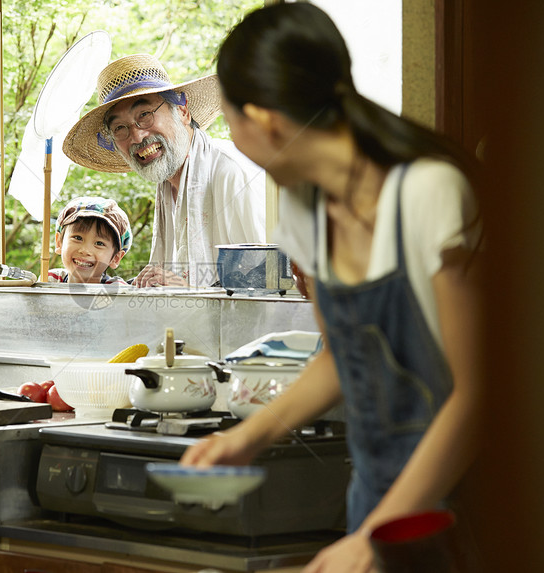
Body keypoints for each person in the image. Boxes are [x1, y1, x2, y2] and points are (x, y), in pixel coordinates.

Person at [179, 4, 483, 573]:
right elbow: (340, 357)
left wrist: (372, 537)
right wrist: (248, 438)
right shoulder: (303, 208)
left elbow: (477, 395)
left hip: (456, 507)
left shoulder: (427, 194)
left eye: (230, 123)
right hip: (374, 497)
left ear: (263, 120)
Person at [63, 54, 266, 288]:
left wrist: (187, 291)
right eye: (120, 128)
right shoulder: (167, 184)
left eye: (145, 115)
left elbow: (266, 281)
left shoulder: (230, 171)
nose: (137, 136)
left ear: (182, 111)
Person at [50, 196, 131, 285]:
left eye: (99, 243)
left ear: (115, 258)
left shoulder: (117, 290)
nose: (85, 251)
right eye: (78, 238)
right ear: (59, 243)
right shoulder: (50, 279)